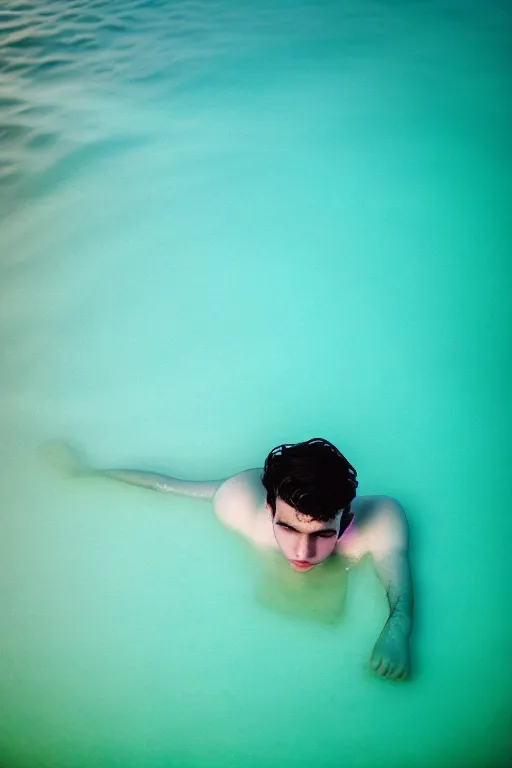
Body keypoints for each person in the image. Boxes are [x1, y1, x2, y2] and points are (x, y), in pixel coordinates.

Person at [47, 437, 414, 681]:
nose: (302, 553)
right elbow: (165, 485)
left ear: (346, 518)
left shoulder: (379, 521)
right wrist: (85, 473)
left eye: (322, 534)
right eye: (287, 529)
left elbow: (398, 588)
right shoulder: (238, 503)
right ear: (269, 507)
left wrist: (395, 636)